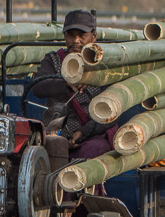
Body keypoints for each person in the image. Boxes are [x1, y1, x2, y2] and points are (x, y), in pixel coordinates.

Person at [30, 9, 118, 161]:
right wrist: (66, 84)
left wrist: (83, 133)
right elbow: (38, 86)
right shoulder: (54, 60)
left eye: (82, 35)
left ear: (93, 36)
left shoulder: (104, 67)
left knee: (94, 151)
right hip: (54, 134)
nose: (76, 40)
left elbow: (112, 112)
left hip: (91, 134)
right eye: (71, 35)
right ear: (65, 36)